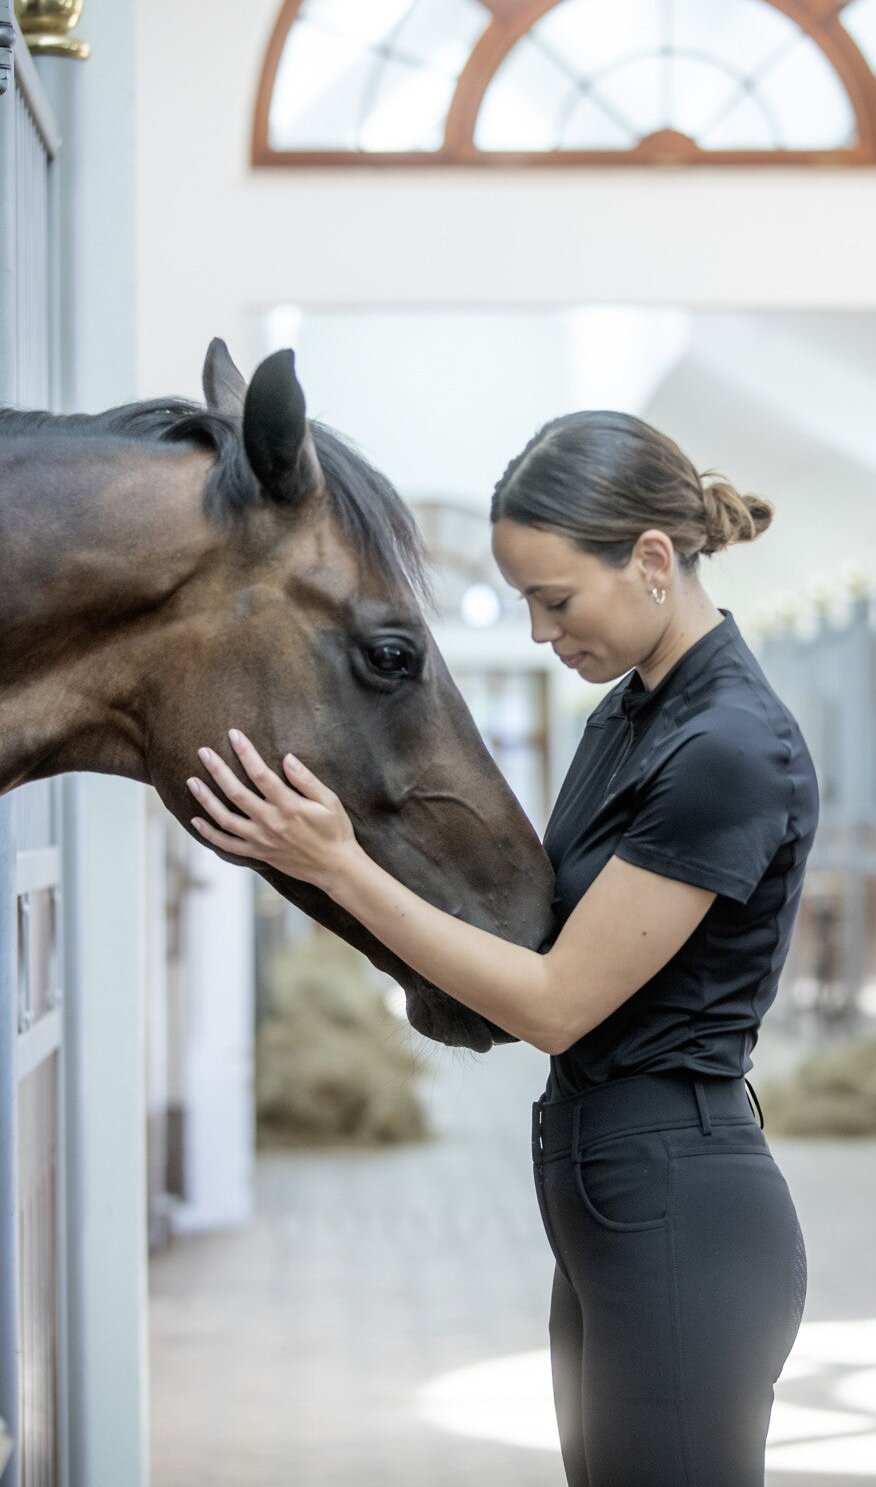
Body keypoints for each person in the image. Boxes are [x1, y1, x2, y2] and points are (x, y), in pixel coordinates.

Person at [186, 409, 819, 1487]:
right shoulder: (629, 718)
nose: (536, 631)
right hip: (609, 1189)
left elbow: (555, 1001)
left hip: (676, 1194)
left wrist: (341, 866)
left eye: (554, 599)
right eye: (525, 599)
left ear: (651, 559)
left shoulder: (726, 747)